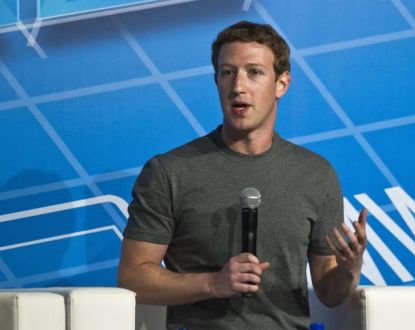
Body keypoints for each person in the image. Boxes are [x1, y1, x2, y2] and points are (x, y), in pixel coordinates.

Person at [117, 20, 367, 330]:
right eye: (227, 72)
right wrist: (212, 283)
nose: (238, 86)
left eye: (254, 72)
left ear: (282, 84)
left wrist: (348, 270)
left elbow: (330, 294)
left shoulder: (315, 173)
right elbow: (133, 277)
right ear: (217, 81)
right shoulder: (170, 171)